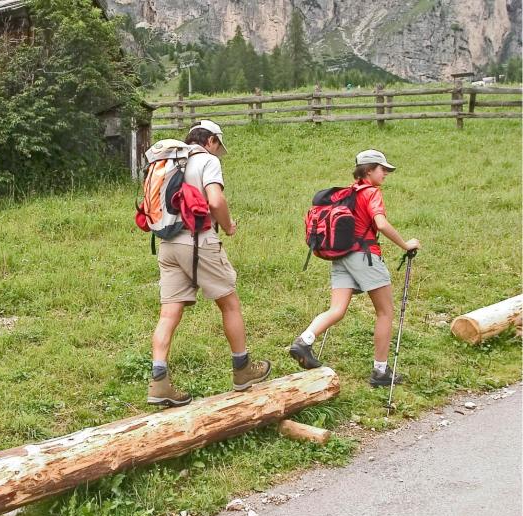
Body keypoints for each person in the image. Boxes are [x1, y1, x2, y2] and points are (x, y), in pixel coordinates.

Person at [147, 120, 271, 407]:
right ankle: (242, 370)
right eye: (218, 145)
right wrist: (228, 226)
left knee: (168, 314)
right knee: (230, 303)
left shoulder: (169, 161)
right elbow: (215, 201)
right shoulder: (207, 160)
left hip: (167, 244)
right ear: (211, 140)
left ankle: (159, 381)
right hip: (198, 241)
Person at [288, 149, 420, 387]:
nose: (386, 174)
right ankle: (380, 371)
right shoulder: (371, 193)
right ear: (369, 170)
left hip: (341, 256)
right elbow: (380, 223)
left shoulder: (348, 193)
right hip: (365, 257)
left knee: (337, 309)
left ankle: (304, 341)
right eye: (383, 169)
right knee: (385, 312)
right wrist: (405, 244)